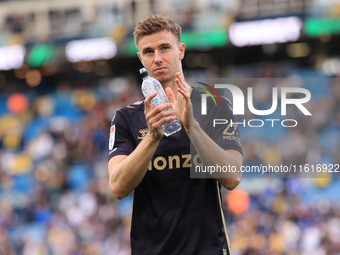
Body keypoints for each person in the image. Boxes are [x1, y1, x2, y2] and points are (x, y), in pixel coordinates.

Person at [108, 14, 243, 255]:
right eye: (148, 52)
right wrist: (152, 137)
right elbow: (118, 187)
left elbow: (232, 177)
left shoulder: (215, 106)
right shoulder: (126, 118)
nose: (157, 58)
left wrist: (192, 127)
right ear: (141, 58)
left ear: (181, 50)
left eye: (164, 48)